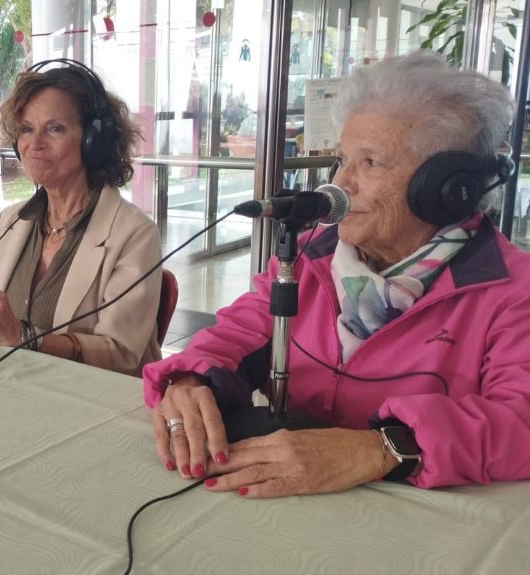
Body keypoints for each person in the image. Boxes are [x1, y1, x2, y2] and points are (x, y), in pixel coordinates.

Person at [142, 51, 530, 496]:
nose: (339, 184)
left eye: (370, 162)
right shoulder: (309, 257)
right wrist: (190, 381)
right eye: (341, 160)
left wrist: (379, 449)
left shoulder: (513, 289)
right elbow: (236, 334)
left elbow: (520, 420)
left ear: (446, 189)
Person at [0, 59, 161, 376]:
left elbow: (121, 354)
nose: (35, 144)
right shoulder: (12, 220)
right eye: (26, 129)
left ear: (94, 141)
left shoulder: (134, 234)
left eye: (55, 128)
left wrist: (24, 338)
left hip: (88, 400)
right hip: (5, 386)